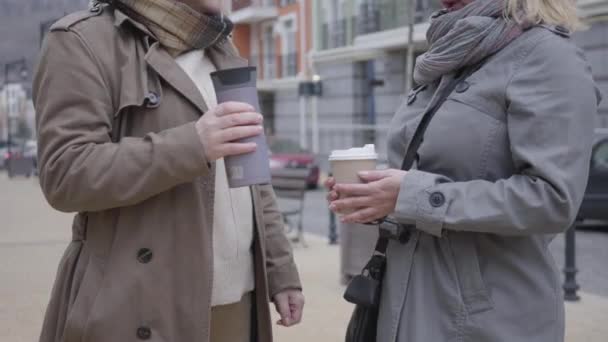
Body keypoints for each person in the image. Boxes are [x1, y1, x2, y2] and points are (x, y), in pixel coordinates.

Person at [326, 0, 602, 341]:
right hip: (405, 302)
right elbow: (428, 174)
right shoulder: (449, 53)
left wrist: (411, 195)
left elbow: (553, 199)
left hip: (484, 318)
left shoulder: (549, 56)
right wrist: (375, 195)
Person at [33, 1, 304, 341]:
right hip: (141, 307)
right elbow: (65, 174)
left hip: (239, 303)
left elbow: (252, 175)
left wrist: (280, 271)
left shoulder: (221, 44)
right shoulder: (82, 41)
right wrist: (193, 145)